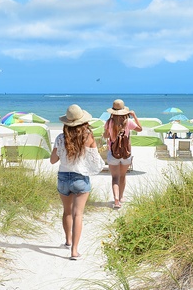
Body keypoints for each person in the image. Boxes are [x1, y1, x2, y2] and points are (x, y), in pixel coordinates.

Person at [50, 104, 100, 260]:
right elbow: (96, 161)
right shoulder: (88, 137)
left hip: (63, 177)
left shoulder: (60, 138)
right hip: (80, 178)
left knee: (67, 212)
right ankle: (74, 250)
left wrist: (62, 153)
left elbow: (52, 160)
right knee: (78, 214)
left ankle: (68, 241)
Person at [103, 99, 142, 209]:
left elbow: (106, 136)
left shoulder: (109, 122)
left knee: (115, 177)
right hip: (126, 153)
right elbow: (140, 129)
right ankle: (121, 197)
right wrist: (134, 116)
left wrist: (109, 132)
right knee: (123, 176)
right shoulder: (128, 122)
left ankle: (116, 199)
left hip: (113, 153)